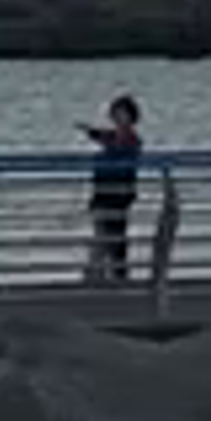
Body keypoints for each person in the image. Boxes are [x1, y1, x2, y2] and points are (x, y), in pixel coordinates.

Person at [84, 94, 147, 282]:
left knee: (113, 236)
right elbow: (104, 137)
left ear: (131, 116)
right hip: (103, 194)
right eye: (116, 113)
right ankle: (100, 275)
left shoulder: (131, 139)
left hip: (118, 195)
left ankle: (106, 276)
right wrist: (91, 132)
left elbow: (118, 147)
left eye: (122, 113)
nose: (118, 117)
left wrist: (100, 140)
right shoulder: (115, 136)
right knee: (103, 235)